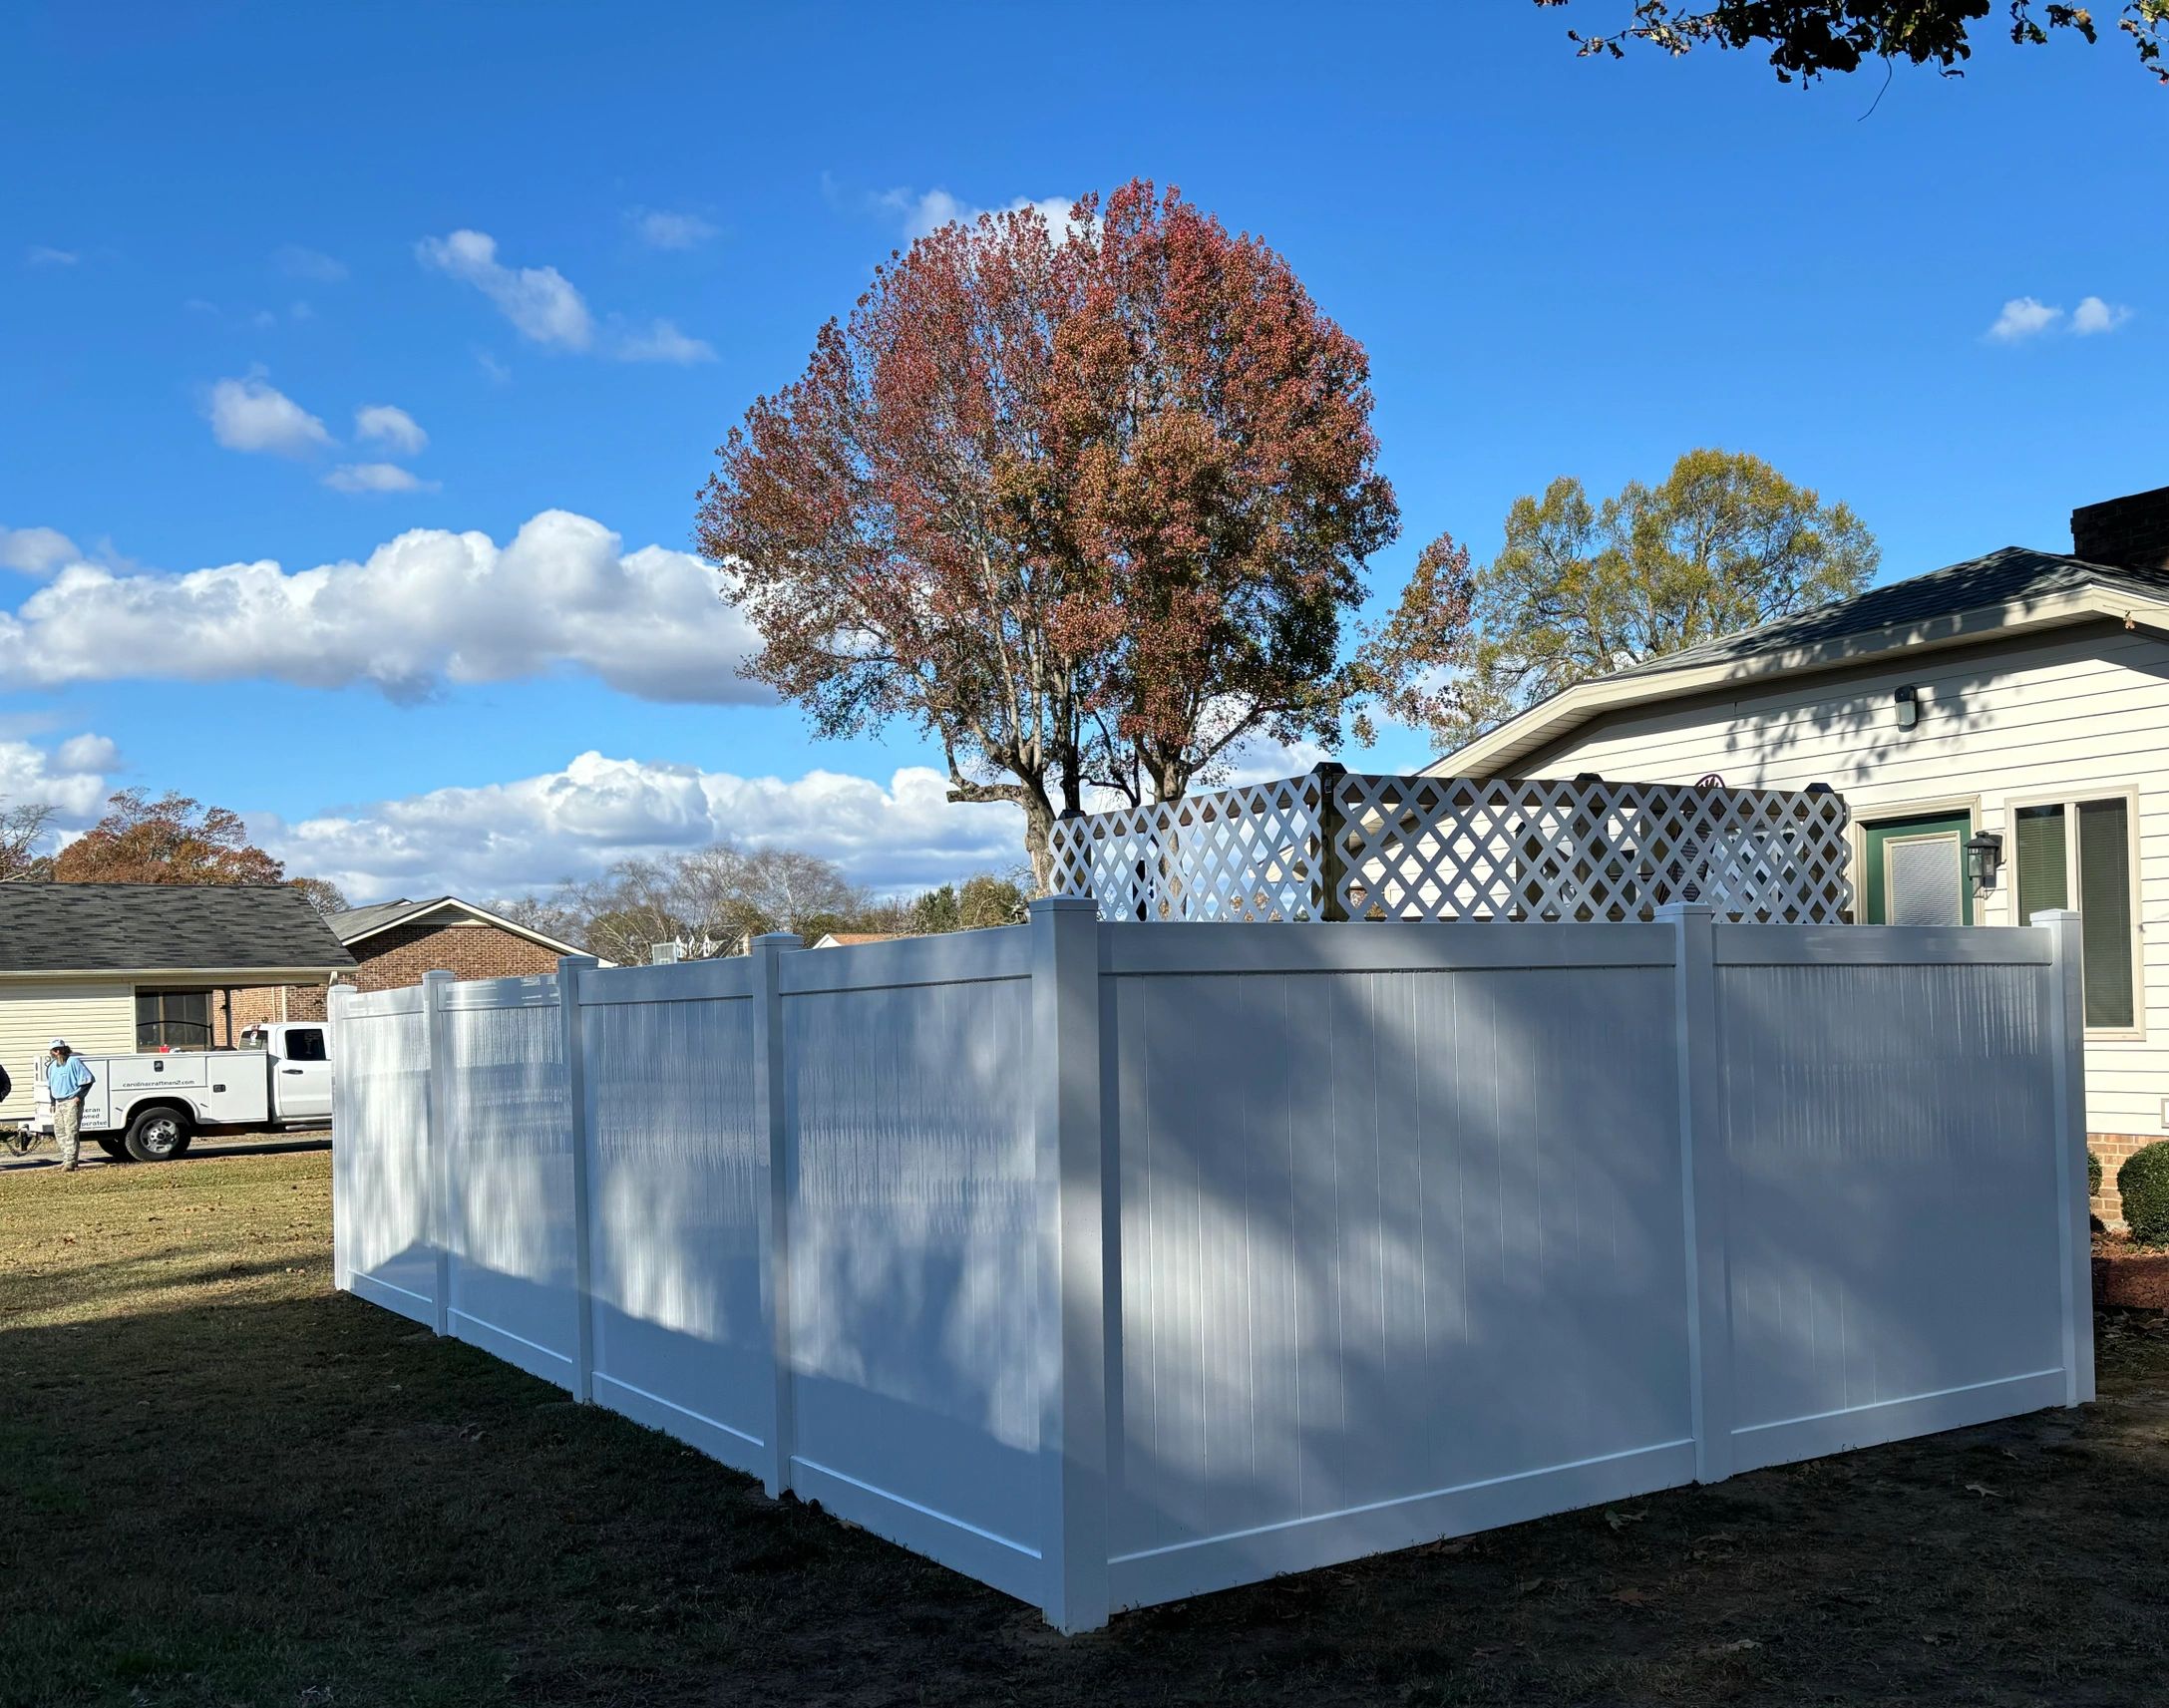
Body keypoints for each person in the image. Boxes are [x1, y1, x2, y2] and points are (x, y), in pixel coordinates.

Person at [44, 1038, 95, 1173]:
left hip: (72, 1100)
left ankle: (71, 1161)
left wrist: (79, 1096)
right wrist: (52, 1102)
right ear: (51, 1052)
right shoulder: (52, 1067)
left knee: (71, 1131)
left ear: (65, 1049)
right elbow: (50, 1086)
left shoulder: (73, 1062)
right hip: (59, 1102)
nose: (58, 1052)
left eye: (60, 1049)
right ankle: (67, 1159)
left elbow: (88, 1080)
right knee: (59, 1131)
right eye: (55, 1050)